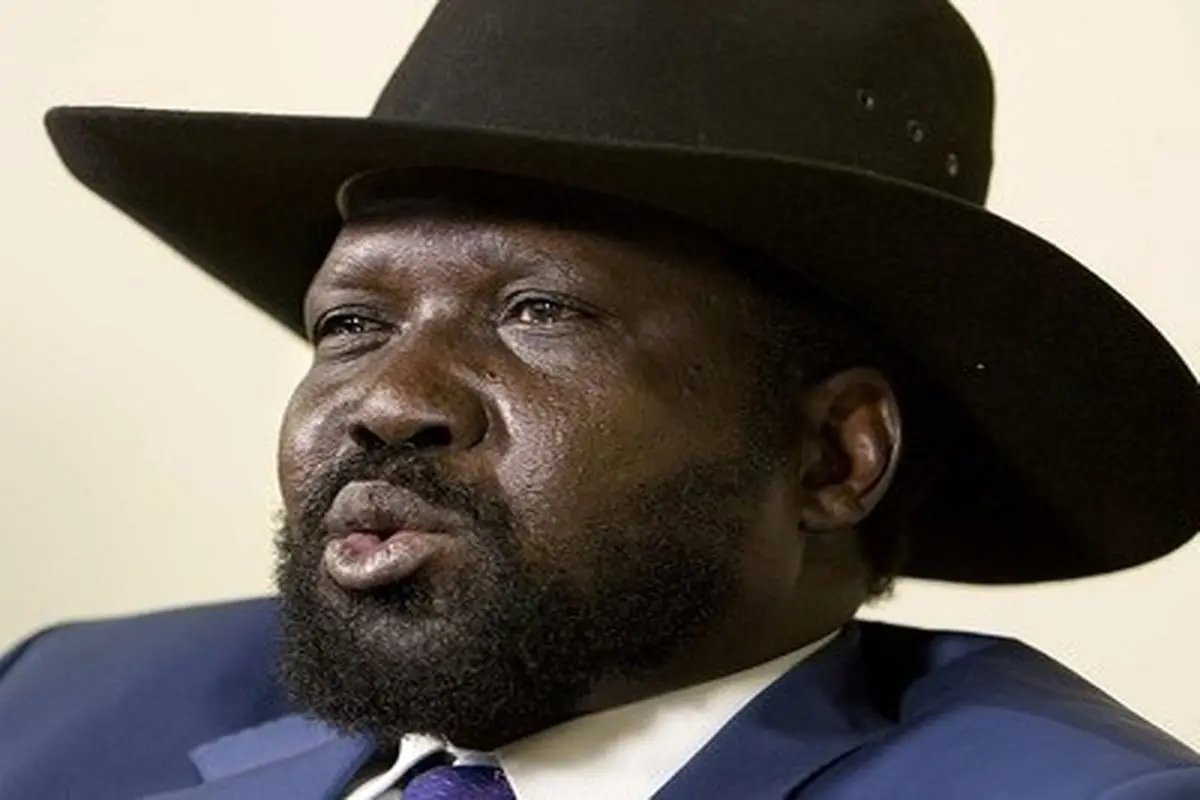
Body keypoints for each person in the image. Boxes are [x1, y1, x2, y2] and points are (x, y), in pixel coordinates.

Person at [3, 0, 1198, 797]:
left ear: (832, 455)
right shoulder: (56, 705)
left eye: (538, 312)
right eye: (352, 324)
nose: (387, 399)